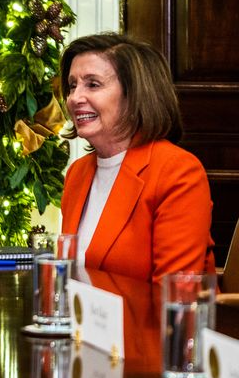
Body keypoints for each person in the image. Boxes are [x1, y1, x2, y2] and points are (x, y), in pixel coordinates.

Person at [59, 32, 214, 282]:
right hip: (85, 320)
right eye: (72, 85)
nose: (75, 98)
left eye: (93, 84)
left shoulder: (178, 171)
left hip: (153, 321)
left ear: (134, 96)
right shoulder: (77, 172)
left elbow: (172, 294)